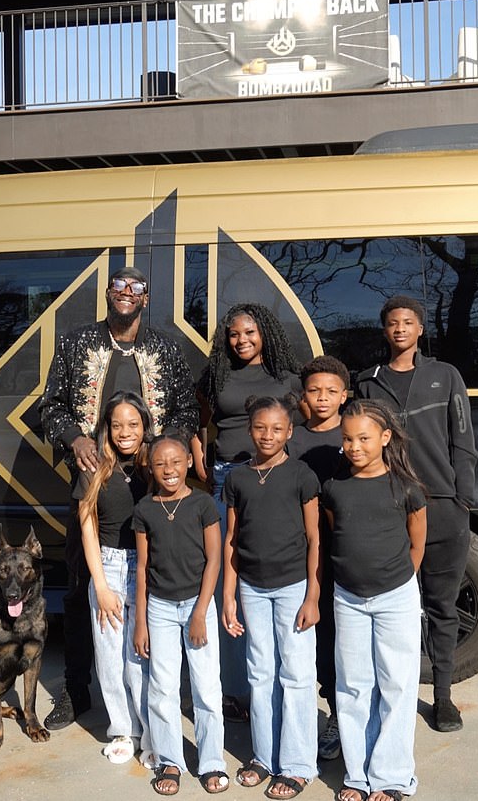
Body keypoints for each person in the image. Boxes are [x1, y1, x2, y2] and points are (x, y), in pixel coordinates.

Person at [39, 266, 198, 730]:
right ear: (108, 294)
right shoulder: (75, 343)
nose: (126, 293)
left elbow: (188, 409)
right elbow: (50, 406)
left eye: (136, 288)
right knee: (80, 589)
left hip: (155, 487)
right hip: (93, 485)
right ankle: (75, 690)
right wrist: (75, 438)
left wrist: (166, 449)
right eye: (119, 286)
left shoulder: (165, 347)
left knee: (160, 587)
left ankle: (159, 697)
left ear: (145, 298)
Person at [356, 294, 478, 733]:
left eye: (408, 322)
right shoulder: (367, 383)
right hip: (391, 509)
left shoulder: (445, 376)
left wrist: (462, 498)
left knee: (442, 606)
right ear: (384, 329)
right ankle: (392, 697)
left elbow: (463, 439)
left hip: (444, 507)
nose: (400, 329)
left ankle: (443, 697)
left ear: (420, 329)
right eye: (393, 323)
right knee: (394, 611)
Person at [192, 303, 304, 723]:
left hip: (272, 481)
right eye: (234, 334)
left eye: (250, 332)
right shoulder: (216, 376)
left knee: (270, 577)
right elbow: (198, 420)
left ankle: (277, 680)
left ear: (265, 334)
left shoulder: (286, 377)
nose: (241, 340)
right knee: (229, 580)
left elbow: (304, 423)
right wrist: (201, 461)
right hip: (227, 478)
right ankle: (234, 689)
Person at [322, 399, 427, 801]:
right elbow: (337, 534)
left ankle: (392, 777)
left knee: (397, 685)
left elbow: (416, 545)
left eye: (364, 438)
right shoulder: (334, 488)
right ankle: (358, 774)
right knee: (353, 685)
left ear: (384, 438)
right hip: (348, 598)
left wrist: (396, 584)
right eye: (347, 439)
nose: (354, 447)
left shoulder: (406, 488)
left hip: (396, 597)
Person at [223, 395, 320, 800]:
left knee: (296, 674)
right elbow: (232, 539)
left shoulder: (301, 475)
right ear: (250, 430)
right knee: (260, 673)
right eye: (261, 427)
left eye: (277, 429)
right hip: (252, 588)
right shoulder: (237, 479)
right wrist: (229, 595)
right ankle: (264, 756)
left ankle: (298, 765)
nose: (268, 435)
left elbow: (314, 537)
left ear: (289, 432)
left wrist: (312, 593)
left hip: (294, 587)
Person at [133, 433, 228, 797]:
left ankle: (212, 761)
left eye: (175, 462)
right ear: (150, 467)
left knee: (207, 687)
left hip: (196, 604)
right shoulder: (145, 510)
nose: (169, 469)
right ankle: (170, 760)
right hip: (159, 607)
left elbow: (214, 559)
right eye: (160, 464)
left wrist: (201, 611)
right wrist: (141, 622)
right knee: (162, 688)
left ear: (189, 461)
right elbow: (143, 568)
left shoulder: (202, 504)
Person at [75, 391, 155, 767]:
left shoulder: (153, 464)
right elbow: (87, 527)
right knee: (109, 656)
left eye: (133, 424)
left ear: (145, 426)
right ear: (106, 428)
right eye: (117, 425)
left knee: (141, 656)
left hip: (145, 567)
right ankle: (123, 730)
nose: (125, 432)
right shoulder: (93, 466)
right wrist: (101, 585)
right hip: (106, 565)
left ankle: (151, 733)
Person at [287, 355, 349, 761]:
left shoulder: (354, 433)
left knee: (351, 641)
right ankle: (331, 714)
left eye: (330, 391)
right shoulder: (292, 440)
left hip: (350, 552)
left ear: (344, 395)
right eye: (314, 391)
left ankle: (352, 716)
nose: (322, 398)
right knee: (321, 638)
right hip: (308, 555)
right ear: (303, 396)